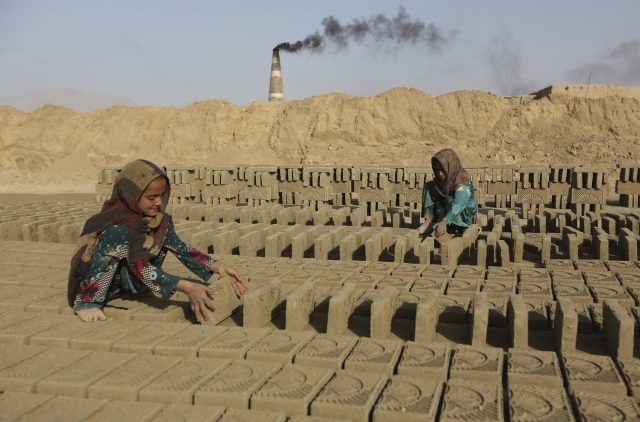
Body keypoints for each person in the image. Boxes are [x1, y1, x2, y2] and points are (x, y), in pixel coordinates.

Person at [68, 159, 247, 323]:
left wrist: (217, 266)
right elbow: (140, 266)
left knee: (161, 236)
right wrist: (187, 287)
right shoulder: (115, 221)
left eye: (162, 195)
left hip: (127, 283)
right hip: (97, 284)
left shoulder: (159, 220)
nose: (159, 202)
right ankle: (87, 302)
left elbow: (182, 249)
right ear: (131, 195)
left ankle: (135, 289)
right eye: (151, 198)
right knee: (117, 236)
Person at [418, 148, 478, 238]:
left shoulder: (462, 182)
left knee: (453, 202)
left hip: (463, 211)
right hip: (447, 207)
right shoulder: (441, 181)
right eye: (437, 170)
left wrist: (444, 222)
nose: (440, 173)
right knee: (430, 186)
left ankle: (461, 227)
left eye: (443, 169)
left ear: (451, 166)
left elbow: (459, 204)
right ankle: (432, 220)